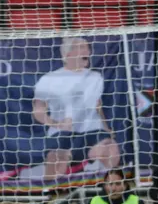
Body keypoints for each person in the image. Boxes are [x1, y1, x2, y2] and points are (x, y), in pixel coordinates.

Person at [33, 37, 120, 180]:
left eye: (88, 48)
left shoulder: (95, 77)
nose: (87, 51)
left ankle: (109, 188)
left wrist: (106, 128)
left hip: (92, 131)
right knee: (57, 159)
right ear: (67, 54)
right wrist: (57, 124)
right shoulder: (49, 79)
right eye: (81, 48)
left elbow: (97, 105)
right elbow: (38, 111)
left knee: (111, 148)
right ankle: (49, 194)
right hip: (63, 132)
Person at [85, 168, 155, 204]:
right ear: (104, 185)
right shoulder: (93, 203)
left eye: (118, 184)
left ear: (125, 185)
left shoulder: (137, 203)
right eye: (110, 184)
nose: (113, 189)